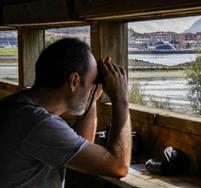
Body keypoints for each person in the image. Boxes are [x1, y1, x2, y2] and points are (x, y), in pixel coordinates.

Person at [0, 38, 132, 188]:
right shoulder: (37, 124)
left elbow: (82, 147)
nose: (91, 89)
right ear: (74, 81)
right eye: (91, 83)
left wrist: (91, 98)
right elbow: (118, 166)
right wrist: (121, 99)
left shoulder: (16, 106)